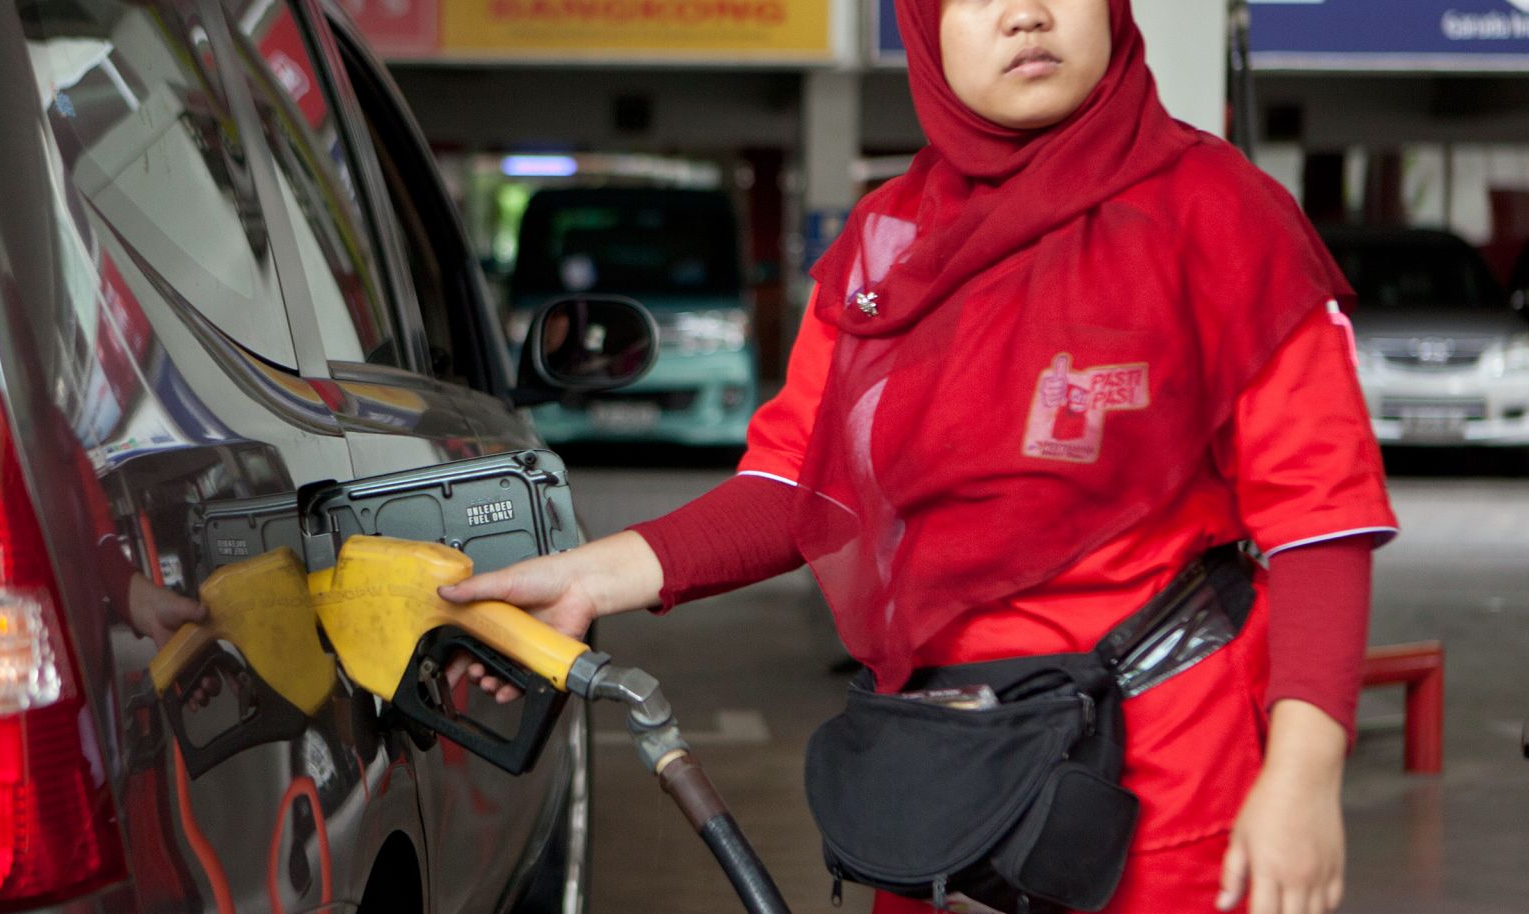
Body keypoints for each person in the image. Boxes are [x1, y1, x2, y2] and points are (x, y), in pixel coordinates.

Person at [442, 1, 1398, 913]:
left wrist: (1303, 777)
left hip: (1170, 781)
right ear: (924, 31)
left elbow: (1321, 519)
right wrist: (583, 579)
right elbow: (791, 485)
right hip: (945, 780)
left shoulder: (1224, 213)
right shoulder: (885, 245)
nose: (1026, 15)